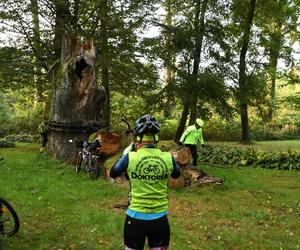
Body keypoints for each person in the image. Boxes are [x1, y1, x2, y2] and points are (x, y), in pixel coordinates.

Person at [110, 114, 180, 250]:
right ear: (156, 138)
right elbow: (176, 175)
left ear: (137, 139)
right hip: (160, 220)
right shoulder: (168, 157)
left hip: (135, 219)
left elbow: (113, 173)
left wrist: (126, 154)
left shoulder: (130, 157)